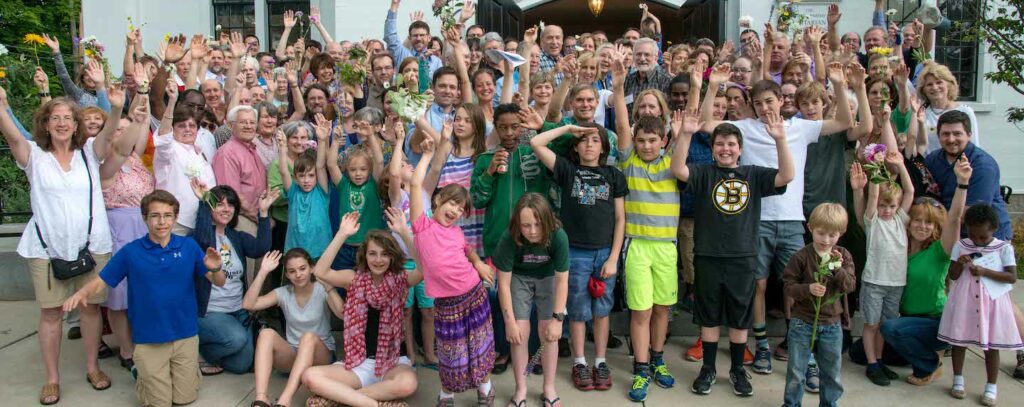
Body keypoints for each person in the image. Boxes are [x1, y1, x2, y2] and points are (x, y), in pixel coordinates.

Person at [701, 66, 854, 375]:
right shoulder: (744, 127)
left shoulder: (799, 127)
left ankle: (802, 350)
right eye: (758, 103)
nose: (764, 107)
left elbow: (843, 123)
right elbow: (707, 124)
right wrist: (713, 85)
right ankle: (762, 347)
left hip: (792, 220)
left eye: (769, 101)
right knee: (756, 285)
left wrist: (837, 85)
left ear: (780, 101)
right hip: (755, 221)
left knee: (804, 285)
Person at [0, 92, 138, 404]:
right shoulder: (33, 155)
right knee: (50, 313)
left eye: (68, 118)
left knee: (90, 309)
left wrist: (116, 107)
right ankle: (52, 379)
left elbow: (108, 137)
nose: (62, 123)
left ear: (77, 125)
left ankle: (92, 367)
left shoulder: (89, 152)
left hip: (92, 245)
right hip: (47, 249)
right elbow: (10, 133)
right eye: (55, 118)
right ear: (45, 125)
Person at [62, 190, 225, 407]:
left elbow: (219, 281)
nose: (161, 222)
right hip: (150, 339)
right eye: (155, 215)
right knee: (160, 403)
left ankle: (166, 376)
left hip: (185, 334)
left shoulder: (188, 246)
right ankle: (143, 374)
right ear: (144, 218)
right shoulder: (131, 252)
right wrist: (81, 293)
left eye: (167, 215)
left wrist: (216, 269)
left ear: (175, 218)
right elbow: (103, 280)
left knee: (185, 398)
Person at [671, 109, 793, 397]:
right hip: (708, 256)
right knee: (709, 317)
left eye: (731, 144)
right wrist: (686, 135)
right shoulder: (703, 173)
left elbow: (787, 174)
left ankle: (738, 369)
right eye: (720, 144)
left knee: (740, 319)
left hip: (743, 257)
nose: (725, 149)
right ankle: (709, 368)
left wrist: (780, 140)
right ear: (712, 149)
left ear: (740, 149)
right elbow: (678, 170)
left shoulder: (752, 174)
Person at [531, 123, 627, 392]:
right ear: (575, 146)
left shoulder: (613, 175)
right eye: (583, 140)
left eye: (595, 140)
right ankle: (580, 362)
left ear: (603, 147)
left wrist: (613, 257)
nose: (588, 144)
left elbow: (620, 219)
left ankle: (600, 361)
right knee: (578, 309)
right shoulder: (568, 171)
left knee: (602, 310)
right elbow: (536, 143)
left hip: (605, 253)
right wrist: (568, 128)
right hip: (576, 252)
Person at [611, 51, 679, 402]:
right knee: (641, 310)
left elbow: (682, 134)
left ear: (664, 139)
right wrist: (620, 85)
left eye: (654, 140)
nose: (647, 145)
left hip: (666, 246)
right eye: (642, 140)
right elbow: (623, 127)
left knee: (663, 309)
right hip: (636, 245)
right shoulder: (629, 162)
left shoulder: (672, 162)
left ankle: (657, 360)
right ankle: (640, 369)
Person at [303, 213, 421, 407]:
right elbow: (321, 271)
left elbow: (424, 270)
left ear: (392, 257)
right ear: (365, 255)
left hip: (392, 362)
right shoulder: (353, 279)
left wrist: (404, 233)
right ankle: (373, 404)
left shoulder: (401, 279)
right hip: (358, 364)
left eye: (385, 254)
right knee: (310, 376)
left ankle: (341, 400)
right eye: (373, 253)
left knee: (407, 384)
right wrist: (342, 234)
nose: (378, 259)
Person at [412, 136, 496, 407]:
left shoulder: (457, 232)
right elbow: (415, 184)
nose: (456, 210)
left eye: (461, 208)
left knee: (479, 347)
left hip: (474, 294)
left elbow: (468, 250)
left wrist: (479, 264)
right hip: (447, 304)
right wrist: (426, 156)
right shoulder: (422, 226)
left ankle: (485, 389)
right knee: (451, 353)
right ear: (437, 200)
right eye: (452, 203)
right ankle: (445, 394)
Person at [879, 158, 971, 386]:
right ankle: (919, 351)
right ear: (908, 223)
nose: (922, 226)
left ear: (936, 227)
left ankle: (930, 364)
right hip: (908, 319)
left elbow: (956, 218)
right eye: (917, 220)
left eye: (928, 223)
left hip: (935, 321)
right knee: (861, 353)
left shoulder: (940, 250)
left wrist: (962, 183)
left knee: (890, 329)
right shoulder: (901, 246)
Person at [940, 204, 1022, 406]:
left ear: (993, 229)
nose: (977, 241)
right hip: (965, 300)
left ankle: (991, 386)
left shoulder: (1003, 248)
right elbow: (952, 275)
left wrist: (985, 272)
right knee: (959, 341)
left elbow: (1011, 277)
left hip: (991, 302)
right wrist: (959, 263)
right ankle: (958, 380)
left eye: (983, 237)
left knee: (991, 345)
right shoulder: (961, 245)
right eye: (973, 236)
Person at [190, 182, 276, 374]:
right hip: (209, 312)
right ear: (211, 208)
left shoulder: (236, 237)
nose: (226, 209)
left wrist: (263, 213)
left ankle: (215, 350)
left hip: (236, 310)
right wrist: (204, 201)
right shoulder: (199, 238)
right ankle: (198, 352)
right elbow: (202, 238)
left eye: (231, 204)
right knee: (237, 339)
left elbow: (260, 248)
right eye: (220, 204)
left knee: (242, 365)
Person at [495, 193, 570, 407]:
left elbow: (563, 281)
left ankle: (549, 387)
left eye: (537, 224)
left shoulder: (558, 236)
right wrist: (509, 322)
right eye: (526, 225)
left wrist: (558, 319)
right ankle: (520, 389)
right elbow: (504, 284)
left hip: (548, 277)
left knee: (549, 331)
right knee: (519, 330)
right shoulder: (509, 238)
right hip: (518, 277)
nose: (533, 231)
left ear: (546, 220)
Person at [244, 249, 344, 407]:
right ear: (287, 275)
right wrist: (263, 271)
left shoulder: (321, 289)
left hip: (321, 356)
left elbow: (342, 315)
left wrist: (329, 287)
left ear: (311, 268)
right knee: (266, 334)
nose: (298, 274)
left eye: (302, 268)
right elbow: (249, 304)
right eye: (292, 271)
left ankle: (285, 400)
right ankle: (261, 398)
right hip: (293, 355)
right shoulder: (283, 293)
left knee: (308, 337)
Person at [850, 148, 915, 386]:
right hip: (875, 282)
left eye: (891, 206)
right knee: (871, 324)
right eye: (883, 206)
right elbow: (874, 197)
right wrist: (875, 167)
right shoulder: (873, 221)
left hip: (896, 283)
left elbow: (909, 191)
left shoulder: (900, 219)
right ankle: (871, 363)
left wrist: (901, 165)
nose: (886, 210)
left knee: (885, 326)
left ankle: (879, 360)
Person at [781, 203, 856, 407]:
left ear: (841, 233)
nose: (826, 240)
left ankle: (829, 404)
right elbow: (788, 286)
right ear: (810, 228)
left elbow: (849, 286)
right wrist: (808, 289)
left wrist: (836, 268)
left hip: (832, 324)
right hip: (802, 321)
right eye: (821, 233)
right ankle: (791, 403)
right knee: (796, 370)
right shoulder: (801, 256)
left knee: (831, 372)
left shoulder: (843, 255)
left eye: (832, 235)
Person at [924, 111, 1012, 241]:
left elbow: (969, 213)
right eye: (945, 134)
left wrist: (928, 223)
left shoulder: (983, 166)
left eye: (957, 133)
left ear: (969, 135)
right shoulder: (933, 159)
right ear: (938, 136)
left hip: (986, 235)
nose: (951, 139)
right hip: (948, 230)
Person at [326, 116, 386, 270]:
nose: (358, 174)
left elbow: (379, 161)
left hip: (369, 247)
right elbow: (331, 164)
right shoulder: (344, 185)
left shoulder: (373, 184)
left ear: (369, 170)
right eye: (353, 170)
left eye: (363, 169)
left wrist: (371, 135)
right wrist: (335, 141)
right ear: (347, 170)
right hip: (346, 247)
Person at [278, 114, 333, 260]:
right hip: (295, 251)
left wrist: (322, 140)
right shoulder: (293, 191)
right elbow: (283, 171)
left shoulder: (322, 191)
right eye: (301, 176)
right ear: (295, 178)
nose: (306, 180)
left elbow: (320, 165)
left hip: (320, 250)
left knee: (321, 282)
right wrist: (283, 147)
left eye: (310, 176)